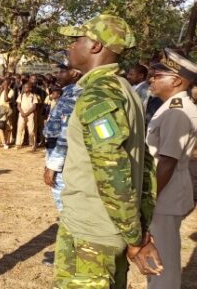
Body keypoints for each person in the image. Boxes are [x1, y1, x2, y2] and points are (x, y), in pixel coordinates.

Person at [54, 15, 161, 288]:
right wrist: (138, 228)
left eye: (76, 40)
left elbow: (112, 169)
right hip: (107, 229)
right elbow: (145, 164)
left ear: (95, 46)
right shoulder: (123, 89)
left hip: (91, 233)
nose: (70, 46)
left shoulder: (100, 94)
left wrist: (135, 236)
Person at [144, 48, 197, 289]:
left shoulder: (177, 112)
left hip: (164, 192)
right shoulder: (170, 107)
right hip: (166, 189)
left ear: (176, 81)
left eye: (157, 75)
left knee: (163, 259)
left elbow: (167, 161)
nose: (151, 79)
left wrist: (149, 198)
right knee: (157, 255)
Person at [41, 56, 83, 265]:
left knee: (67, 208)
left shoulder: (75, 95)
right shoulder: (68, 93)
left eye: (62, 71)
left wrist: (53, 165)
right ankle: (68, 252)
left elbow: (66, 135)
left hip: (64, 160)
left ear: (74, 73)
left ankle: (70, 256)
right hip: (58, 153)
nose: (58, 75)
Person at [15, 82, 40, 150]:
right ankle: (18, 144)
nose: (24, 88)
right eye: (24, 87)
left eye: (26, 87)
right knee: (20, 128)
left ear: (30, 88)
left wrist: (27, 113)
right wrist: (22, 112)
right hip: (22, 114)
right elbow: (18, 106)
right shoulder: (21, 95)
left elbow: (34, 107)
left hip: (30, 114)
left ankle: (32, 144)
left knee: (31, 129)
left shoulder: (33, 96)